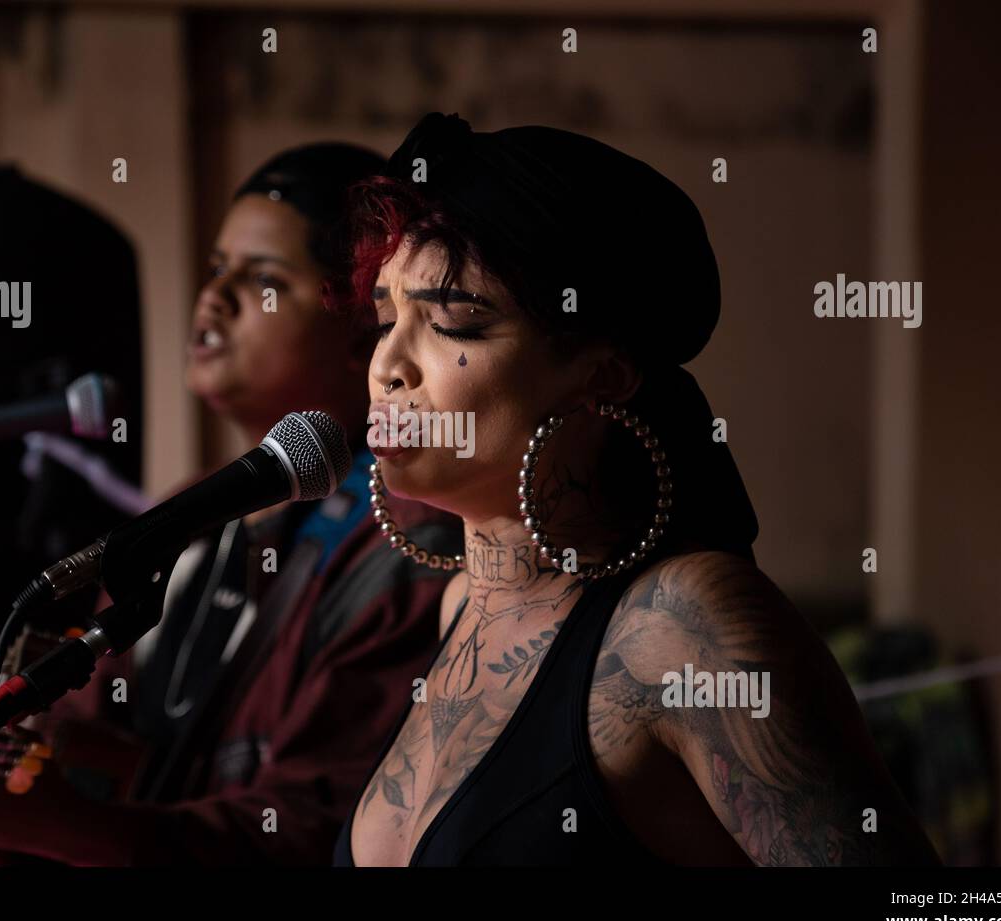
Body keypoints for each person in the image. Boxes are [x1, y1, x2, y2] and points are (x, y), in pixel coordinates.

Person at [333, 113, 943, 866]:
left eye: (455, 319)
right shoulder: (462, 606)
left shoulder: (684, 627)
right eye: (388, 314)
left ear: (601, 373)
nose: (388, 364)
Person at [0, 142, 461, 866]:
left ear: (362, 329)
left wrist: (57, 821)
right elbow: (117, 732)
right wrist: (27, 747)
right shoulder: (191, 510)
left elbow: (315, 830)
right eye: (218, 268)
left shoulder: (409, 537)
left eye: (263, 279)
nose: (211, 298)